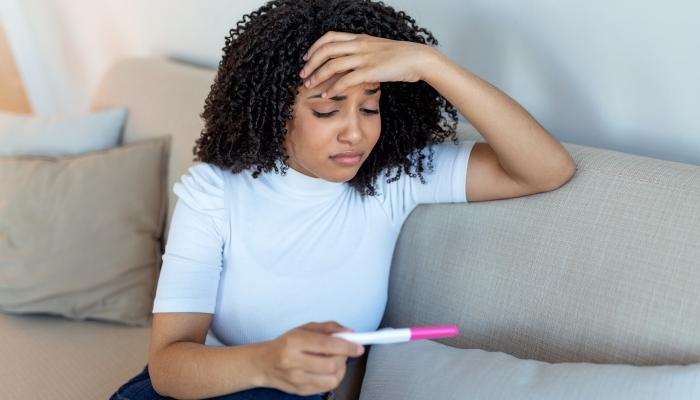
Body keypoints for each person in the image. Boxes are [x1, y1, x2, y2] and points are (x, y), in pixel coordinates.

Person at [111, 0, 576, 398]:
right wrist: (267, 363)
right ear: (276, 115)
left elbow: (546, 169)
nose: (355, 132)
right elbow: (168, 367)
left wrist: (430, 65)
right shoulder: (215, 191)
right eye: (327, 109)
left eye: (370, 107)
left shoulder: (393, 178)